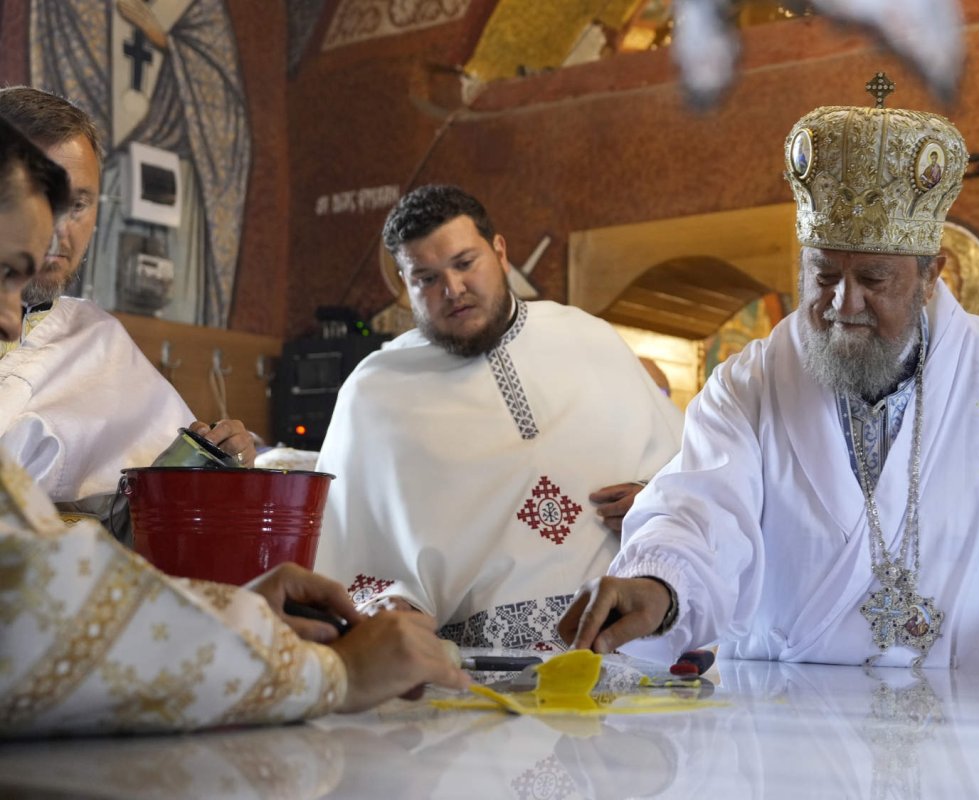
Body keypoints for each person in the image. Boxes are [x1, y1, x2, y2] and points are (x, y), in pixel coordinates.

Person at [559, 82, 979, 681]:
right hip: (791, 716)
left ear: (930, 276)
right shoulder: (748, 386)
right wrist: (660, 583)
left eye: (874, 281)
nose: (843, 304)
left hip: (975, 714)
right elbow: (699, 510)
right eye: (825, 275)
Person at [0, 117, 466, 737]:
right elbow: (29, 610)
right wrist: (331, 674)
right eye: (5, 271)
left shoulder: (97, 340)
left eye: (79, 203)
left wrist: (225, 595)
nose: (15, 325)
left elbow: (102, 562)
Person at [314, 185, 682, 649]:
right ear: (405, 285)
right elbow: (347, 548)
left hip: (625, 649)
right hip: (471, 664)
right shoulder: (375, 393)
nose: (452, 289)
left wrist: (654, 497)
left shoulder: (590, 339)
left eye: (465, 263)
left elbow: (690, 475)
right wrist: (386, 601)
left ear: (501, 253)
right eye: (426, 278)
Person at [0, 87, 255, 527]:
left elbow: (151, 522)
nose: (59, 230)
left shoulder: (100, 343)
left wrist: (223, 468)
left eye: (78, 204)